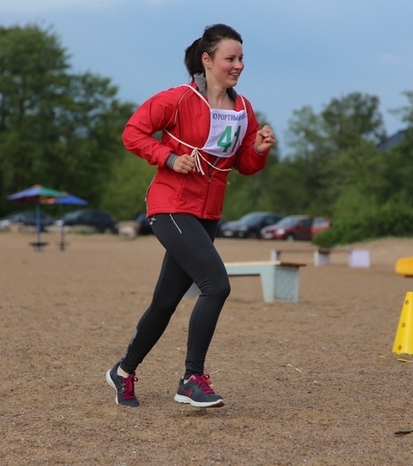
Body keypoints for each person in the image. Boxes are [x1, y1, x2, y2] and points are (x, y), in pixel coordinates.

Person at [106, 23, 275, 408]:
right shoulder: (179, 98)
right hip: (170, 206)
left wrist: (260, 150)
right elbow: (133, 133)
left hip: (207, 213)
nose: (238, 65)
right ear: (207, 59)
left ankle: (123, 371)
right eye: (230, 58)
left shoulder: (244, 108)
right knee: (217, 283)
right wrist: (168, 157)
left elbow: (244, 165)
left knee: (165, 301)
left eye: (241, 58)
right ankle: (191, 379)